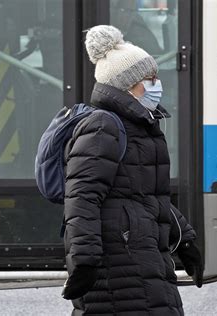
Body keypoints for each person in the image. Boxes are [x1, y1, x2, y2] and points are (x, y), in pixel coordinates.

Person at [61, 25, 203, 315]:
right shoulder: (104, 126)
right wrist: (84, 261)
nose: (156, 84)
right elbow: (82, 197)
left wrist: (184, 239)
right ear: (126, 85)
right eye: (149, 79)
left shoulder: (137, 125)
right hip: (119, 263)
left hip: (141, 257)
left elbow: (147, 196)